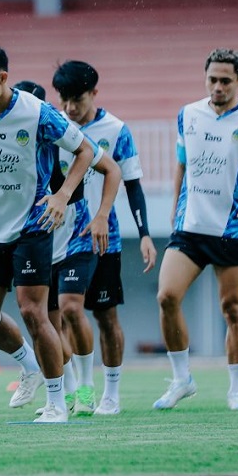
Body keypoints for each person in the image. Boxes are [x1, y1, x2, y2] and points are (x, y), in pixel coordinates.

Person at [0, 44, 107, 423]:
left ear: (3, 78)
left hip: (33, 225)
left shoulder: (38, 114)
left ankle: (55, 403)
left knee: (35, 313)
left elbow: (86, 151)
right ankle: (29, 365)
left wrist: (63, 196)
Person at [156, 48, 238, 412]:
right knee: (166, 296)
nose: (218, 87)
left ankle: (237, 391)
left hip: (231, 228)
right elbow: (181, 163)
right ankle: (182, 379)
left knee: (233, 310)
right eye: (212, 79)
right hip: (190, 226)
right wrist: (174, 203)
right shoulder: (188, 115)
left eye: (226, 81)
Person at [51, 61, 158, 417]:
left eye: (77, 99)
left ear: (95, 93)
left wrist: (144, 234)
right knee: (65, 314)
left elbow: (133, 185)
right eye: (64, 99)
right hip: (61, 237)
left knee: (106, 316)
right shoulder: (57, 129)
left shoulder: (116, 130)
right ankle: (75, 390)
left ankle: (110, 393)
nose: (70, 107)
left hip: (103, 239)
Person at [16, 80, 121, 418]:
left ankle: (88, 389)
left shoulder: (68, 137)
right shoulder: (10, 148)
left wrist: (102, 215)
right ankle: (71, 389)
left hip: (76, 237)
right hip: (38, 242)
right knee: (45, 323)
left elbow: (112, 170)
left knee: (72, 309)